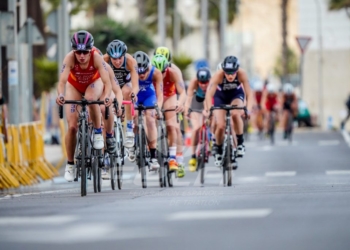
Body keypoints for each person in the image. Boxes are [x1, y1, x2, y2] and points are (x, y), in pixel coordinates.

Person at [56, 30, 112, 182]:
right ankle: (70, 164)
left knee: (91, 98)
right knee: (72, 127)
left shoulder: (97, 58)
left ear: (91, 50)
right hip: (74, 86)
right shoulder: (69, 58)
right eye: (78, 52)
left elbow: (107, 83)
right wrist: (61, 95)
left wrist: (106, 97)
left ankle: (98, 131)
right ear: (74, 50)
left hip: (94, 83)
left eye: (85, 52)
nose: (81, 56)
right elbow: (61, 82)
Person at [205, 56, 252, 167]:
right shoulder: (218, 75)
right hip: (220, 97)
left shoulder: (242, 74)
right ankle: (219, 147)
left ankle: (240, 143)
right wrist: (208, 109)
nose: (230, 76)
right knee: (220, 125)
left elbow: (249, 94)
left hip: (236, 95)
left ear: (237, 70)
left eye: (232, 73)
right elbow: (209, 94)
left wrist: (248, 109)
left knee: (236, 114)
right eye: (227, 73)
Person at [154, 46, 186, 177]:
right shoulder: (151, 71)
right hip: (156, 96)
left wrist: (180, 103)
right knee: (151, 121)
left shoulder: (174, 71)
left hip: (169, 95)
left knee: (173, 127)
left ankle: (177, 158)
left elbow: (183, 91)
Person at [104, 40, 139, 151]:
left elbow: (135, 85)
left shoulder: (130, 61)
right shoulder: (103, 60)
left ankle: (129, 128)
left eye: (120, 58)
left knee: (127, 92)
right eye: (114, 59)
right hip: (111, 86)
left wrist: (134, 93)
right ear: (109, 57)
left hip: (124, 85)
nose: (118, 62)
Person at [133, 51, 164, 169]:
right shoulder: (129, 70)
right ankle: (135, 142)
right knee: (134, 116)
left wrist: (158, 109)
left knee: (150, 119)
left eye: (144, 71)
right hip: (135, 95)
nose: (141, 75)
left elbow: (160, 95)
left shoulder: (155, 72)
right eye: (138, 72)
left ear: (148, 67)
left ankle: (153, 156)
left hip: (149, 96)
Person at [185, 67, 211, 172]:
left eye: (206, 83)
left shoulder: (212, 83)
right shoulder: (193, 83)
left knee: (214, 118)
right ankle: (193, 156)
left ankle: (212, 140)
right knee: (196, 128)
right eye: (201, 83)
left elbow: (211, 99)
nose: (204, 85)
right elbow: (188, 99)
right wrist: (187, 111)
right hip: (196, 103)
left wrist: (208, 110)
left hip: (209, 102)